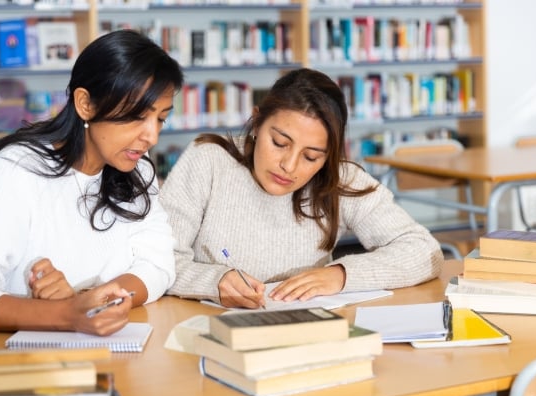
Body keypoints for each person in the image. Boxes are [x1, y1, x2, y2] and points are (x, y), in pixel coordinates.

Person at [0, 29, 184, 334]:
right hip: (19, 364)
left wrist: (95, 303)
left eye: (160, 119)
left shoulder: (138, 171)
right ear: (85, 104)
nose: (151, 136)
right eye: (137, 116)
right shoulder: (14, 174)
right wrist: (67, 313)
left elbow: (158, 265)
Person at [159, 68, 444, 309]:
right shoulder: (208, 160)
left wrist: (342, 275)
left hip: (307, 334)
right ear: (257, 123)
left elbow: (424, 251)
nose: (290, 166)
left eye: (311, 156)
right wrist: (214, 281)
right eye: (280, 143)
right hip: (204, 328)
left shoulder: (341, 180)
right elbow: (157, 261)